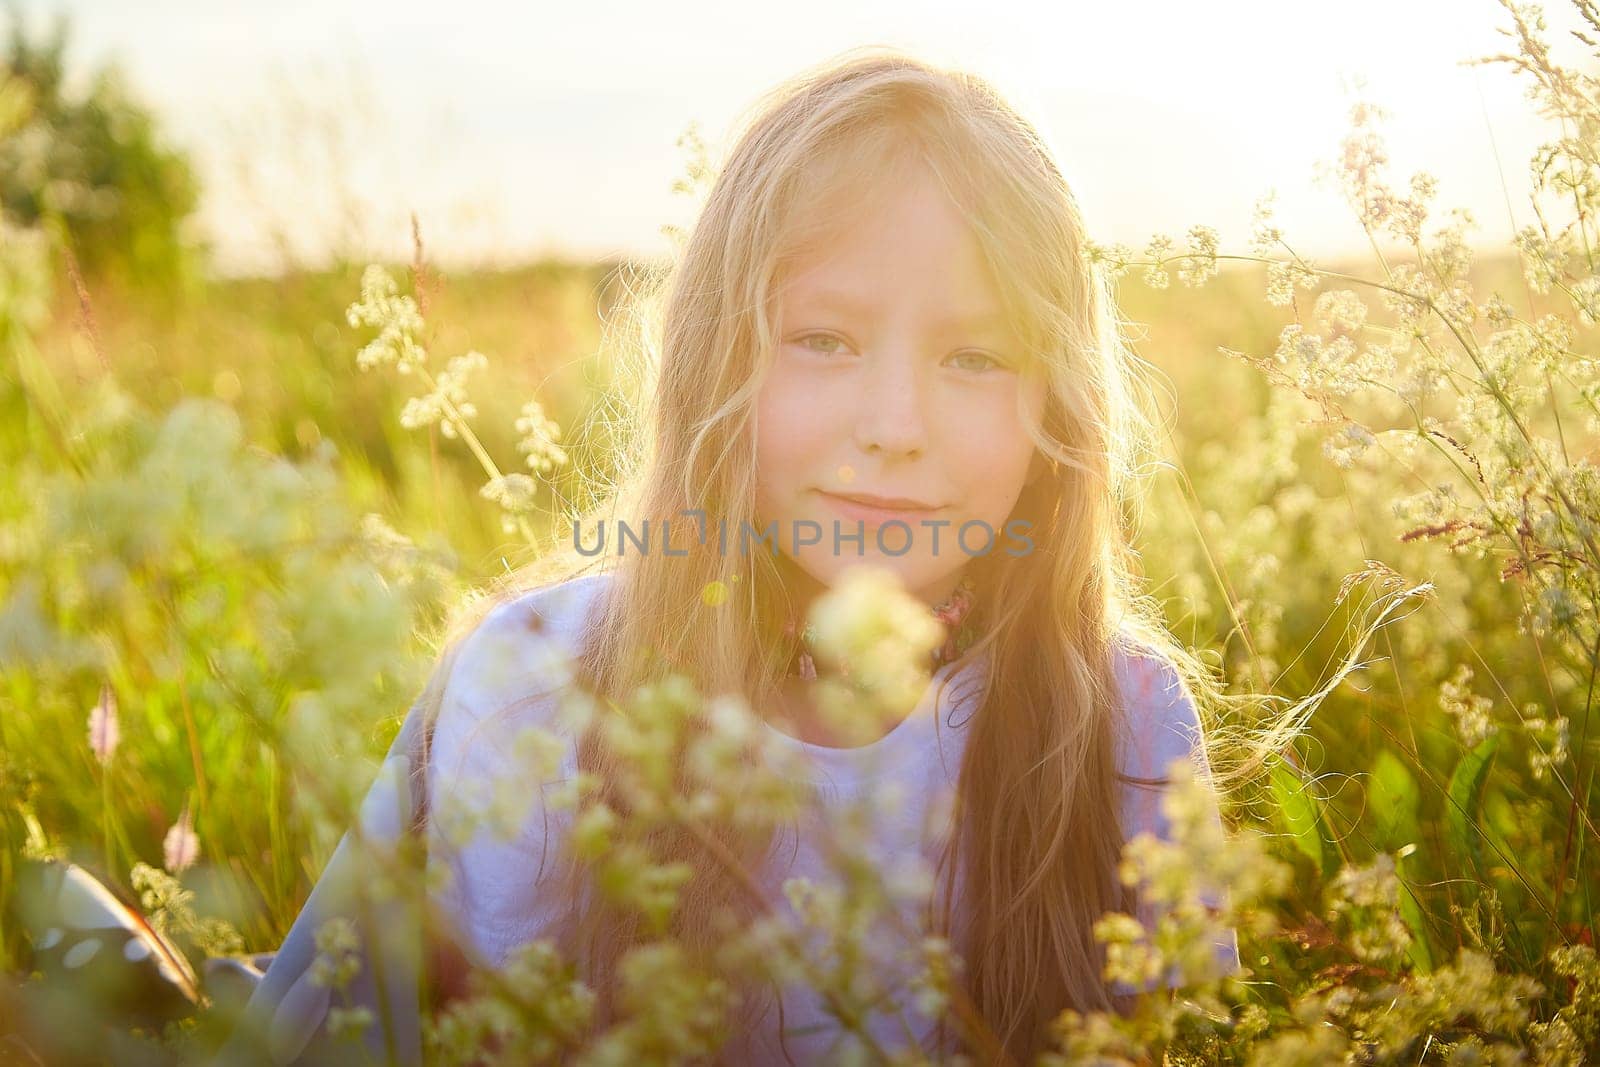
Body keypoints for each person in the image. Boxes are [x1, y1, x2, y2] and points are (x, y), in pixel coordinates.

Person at [222, 45, 1239, 1067]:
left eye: (973, 357)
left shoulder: (1123, 718)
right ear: (716, 363)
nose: (893, 424)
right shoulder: (536, 685)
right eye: (823, 340)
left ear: (1055, 410)